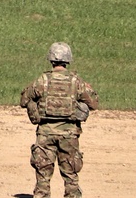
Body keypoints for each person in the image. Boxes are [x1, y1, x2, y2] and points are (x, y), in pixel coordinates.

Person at [20, 42, 98, 198]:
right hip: (69, 134)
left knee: (43, 174)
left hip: (45, 133)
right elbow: (94, 103)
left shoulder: (42, 80)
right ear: (68, 59)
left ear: (51, 59)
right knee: (70, 174)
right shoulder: (76, 82)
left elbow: (24, 100)